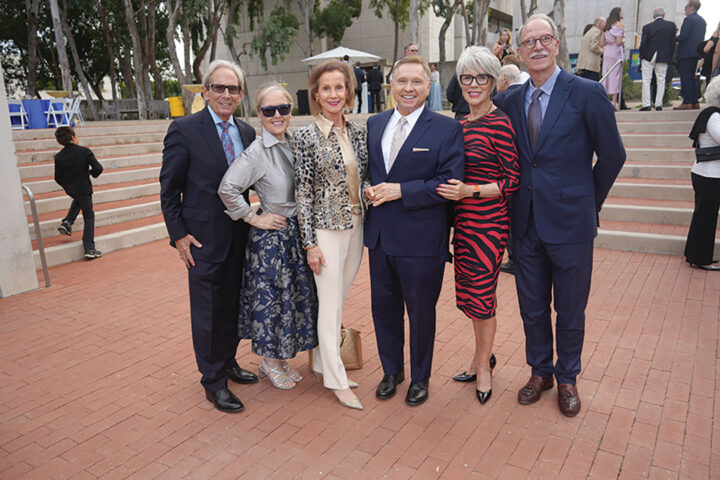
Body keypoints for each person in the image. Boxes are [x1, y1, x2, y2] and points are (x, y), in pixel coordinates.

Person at [493, 14, 626, 417]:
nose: (537, 46)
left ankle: (567, 378)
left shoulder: (585, 92)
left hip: (571, 224)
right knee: (531, 307)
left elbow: (613, 155)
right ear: (520, 47)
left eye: (544, 38)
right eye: (529, 40)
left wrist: (590, 200)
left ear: (556, 44)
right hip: (525, 224)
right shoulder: (509, 100)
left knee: (570, 308)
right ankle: (541, 372)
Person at [364, 55, 465, 407]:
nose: (408, 88)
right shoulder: (374, 124)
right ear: (391, 85)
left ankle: (420, 378)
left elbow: (449, 183)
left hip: (422, 241)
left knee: (421, 314)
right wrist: (367, 188)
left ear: (428, 86)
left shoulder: (446, 128)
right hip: (379, 239)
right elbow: (371, 171)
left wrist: (402, 190)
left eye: (416, 82)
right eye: (402, 81)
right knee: (384, 310)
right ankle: (392, 371)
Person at [159, 59, 258, 414]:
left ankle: (228, 361)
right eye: (219, 87)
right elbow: (169, 189)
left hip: (239, 236)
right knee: (207, 313)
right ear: (206, 91)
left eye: (233, 89)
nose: (226, 94)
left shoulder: (246, 132)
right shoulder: (184, 129)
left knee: (232, 306)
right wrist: (179, 235)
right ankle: (213, 382)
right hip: (201, 240)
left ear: (240, 95)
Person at [218, 83, 318, 390]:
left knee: (292, 302)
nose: (277, 115)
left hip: (296, 235)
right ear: (258, 114)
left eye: (283, 109)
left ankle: (281, 359)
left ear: (291, 110)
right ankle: (269, 361)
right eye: (269, 110)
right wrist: (252, 216)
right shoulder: (257, 153)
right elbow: (227, 188)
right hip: (272, 241)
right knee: (273, 302)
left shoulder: (295, 141)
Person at [436, 46, 520, 405]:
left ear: (493, 81)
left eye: (481, 77)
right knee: (471, 298)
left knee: (484, 299)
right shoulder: (460, 125)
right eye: (466, 77)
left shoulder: (499, 123)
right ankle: (479, 357)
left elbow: (512, 180)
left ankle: (484, 368)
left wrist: (471, 190)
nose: (473, 84)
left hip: (488, 223)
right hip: (464, 224)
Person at [292, 60, 369, 410]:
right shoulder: (306, 136)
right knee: (329, 302)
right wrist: (309, 242)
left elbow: (362, 175)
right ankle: (336, 379)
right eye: (326, 88)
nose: (333, 94)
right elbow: (303, 192)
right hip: (325, 231)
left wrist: (368, 191)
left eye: (339, 87)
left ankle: (324, 362)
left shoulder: (356, 131)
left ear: (348, 92)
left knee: (339, 298)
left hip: (356, 224)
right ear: (316, 95)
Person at [685, 77, 720, 271]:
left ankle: (696, 254)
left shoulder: (712, 115)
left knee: (704, 216)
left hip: (709, 174)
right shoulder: (713, 116)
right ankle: (700, 257)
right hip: (709, 175)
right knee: (705, 217)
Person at [53, 126, 103, 260]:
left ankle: (67, 222)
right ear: (73, 138)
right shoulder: (84, 152)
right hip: (83, 187)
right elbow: (98, 168)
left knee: (78, 200)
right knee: (89, 217)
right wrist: (90, 173)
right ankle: (89, 248)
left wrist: (67, 185)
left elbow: (57, 178)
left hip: (71, 189)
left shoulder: (59, 156)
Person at [639, 7, 676, 111]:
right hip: (664, 56)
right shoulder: (671, 26)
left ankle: (646, 105)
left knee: (646, 80)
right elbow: (672, 43)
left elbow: (644, 43)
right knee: (661, 80)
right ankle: (658, 104)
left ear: (653, 16)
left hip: (649, 55)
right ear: (663, 15)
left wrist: (641, 55)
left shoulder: (647, 27)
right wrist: (670, 56)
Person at [674, 0, 706, 110]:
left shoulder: (688, 19)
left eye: (686, 6)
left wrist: (672, 38)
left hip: (685, 53)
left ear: (692, 7)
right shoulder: (702, 21)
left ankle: (687, 102)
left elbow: (683, 36)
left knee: (686, 78)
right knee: (692, 78)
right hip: (696, 53)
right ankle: (694, 101)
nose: (684, 9)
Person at [602, 7, 626, 111]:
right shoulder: (620, 25)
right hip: (616, 52)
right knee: (615, 76)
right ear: (618, 14)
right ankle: (614, 101)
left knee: (606, 74)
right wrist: (624, 40)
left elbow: (602, 43)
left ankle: (605, 100)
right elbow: (619, 42)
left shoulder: (606, 25)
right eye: (622, 12)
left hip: (607, 51)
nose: (623, 13)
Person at [577, 17, 605, 82]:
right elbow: (593, 46)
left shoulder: (589, 32)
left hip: (583, 65)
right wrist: (603, 51)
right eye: (604, 24)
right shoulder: (597, 32)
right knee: (592, 87)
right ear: (599, 24)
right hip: (591, 66)